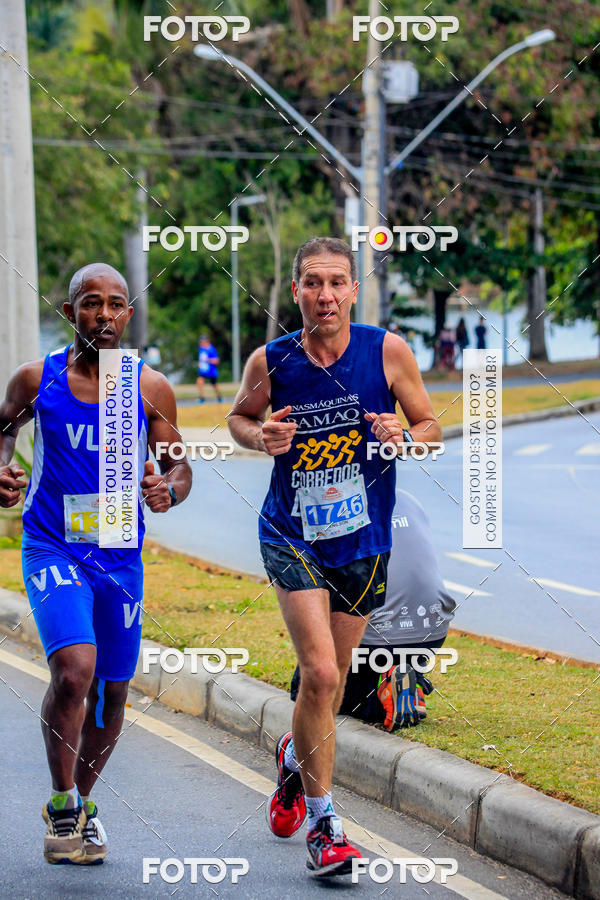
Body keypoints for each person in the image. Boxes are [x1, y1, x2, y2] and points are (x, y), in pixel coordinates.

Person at [228, 236, 441, 877]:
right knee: (320, 675)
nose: (325, 294)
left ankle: (295, 757)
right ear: (295, 291)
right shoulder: (273, 358)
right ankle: (328, 828)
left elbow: (431, 429)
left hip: (364, 540)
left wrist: (407, 435)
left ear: (353, 289)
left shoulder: (388, 351)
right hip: (291, 533)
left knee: (333, 680)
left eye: (337, 282)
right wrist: (258, 434)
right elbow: (239, 419)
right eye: (313, 283)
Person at [0, 262, 192, 865]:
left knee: (112, 693)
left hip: (117, 555)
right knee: (75, 669)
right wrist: (2, 468)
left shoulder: (146, 387)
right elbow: (2, 428)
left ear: (128, 316)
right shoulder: (38, 379)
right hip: (53, 546)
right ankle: (61, 804)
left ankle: (80, 806)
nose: (103, 315)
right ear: (70, 313)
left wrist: (170, 488)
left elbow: (179, 466)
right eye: (90, 303)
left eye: (115, 305)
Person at [290, 490, 456, 730]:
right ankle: (405, 675)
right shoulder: (407, 497)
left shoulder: (330, 507)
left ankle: (385, 690)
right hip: (430, 631)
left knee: (307, 688)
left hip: (371, 638)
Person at [197, 334, 221, 403]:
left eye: (203, 342)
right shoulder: (201, 348)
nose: (202, 343)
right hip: (203, 370)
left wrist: (208, 360)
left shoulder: (212, 349)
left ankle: (219, 396)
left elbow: (216, 361)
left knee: (214, 384)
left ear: (207, 341)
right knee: (199, 381)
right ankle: (202, 398)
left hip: (211, 370)